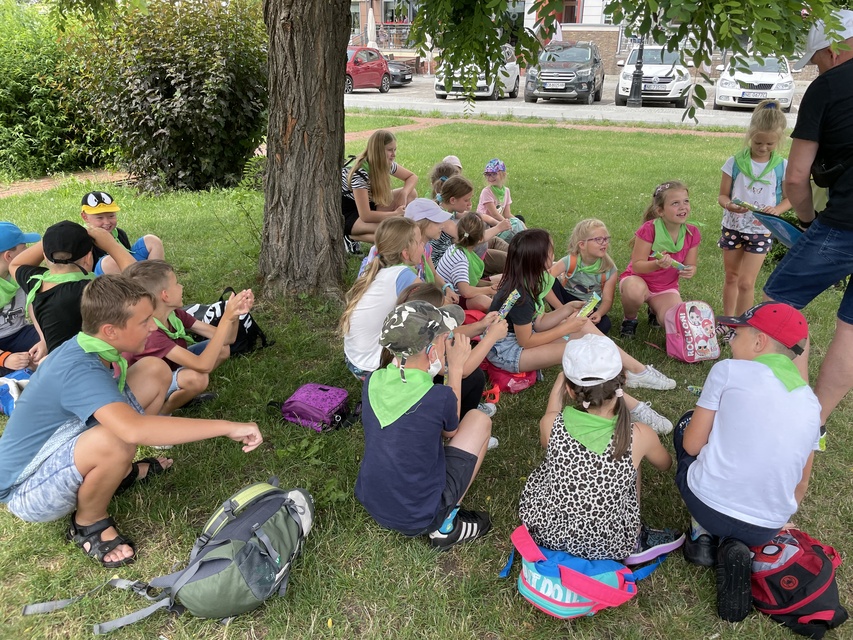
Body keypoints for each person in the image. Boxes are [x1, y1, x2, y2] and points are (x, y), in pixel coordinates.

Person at [0, 275, 262, 567]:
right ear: (111, 330)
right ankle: (89, 521)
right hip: (26, 491)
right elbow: (133, 429)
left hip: (62, 446)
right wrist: (228, 427)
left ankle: (116, 473)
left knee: (154, 369)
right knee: (117, 438)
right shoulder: (79, 367)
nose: (152, 326)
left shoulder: (91, 346)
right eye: (144, 321)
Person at [675, 302, 820, 622]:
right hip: (766, 526)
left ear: (759, 342)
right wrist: (780, 515)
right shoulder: (811, 403)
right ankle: (735, 543)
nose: (729, 341)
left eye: (735, 334)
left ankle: (702, 536)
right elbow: (802, 481)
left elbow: (693, 444)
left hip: (707, 504)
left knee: (686, 426)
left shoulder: (727, 370)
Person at [763, 9, 853, 439]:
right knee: (851, 328)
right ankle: (814, 423)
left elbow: (796, 177)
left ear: (834, 49)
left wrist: (806, 220)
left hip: (845, 223)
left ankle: (792, 409)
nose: (817, 68)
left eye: (816, 60)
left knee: (778, 302)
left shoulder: (829, 87)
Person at [519, 335, 684, 563]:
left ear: (570, 390)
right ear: (623, 381)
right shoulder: (639, 435)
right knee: (632, 465)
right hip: (610, 544)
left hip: (547, 532)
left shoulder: (550, 423)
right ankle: (635, 535)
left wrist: (560, 383)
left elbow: (550, 420)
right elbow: (665, 465)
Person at [354, 300, 493, 551]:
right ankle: (446, 525)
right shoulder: (438, 398)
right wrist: (456, 368)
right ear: (431, 352)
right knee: (479, 420)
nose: (446, 345)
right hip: (419, 516)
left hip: (373, 500)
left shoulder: (372, 380)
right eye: (443, 341)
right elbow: (451, 430)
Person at [488, 229, 677, 407]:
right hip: (508, 352)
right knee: (578, 348)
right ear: (538, 259)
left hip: (518, 342)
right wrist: (566, 328)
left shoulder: (529, 280)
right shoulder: (520, 294)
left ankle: (637, 370)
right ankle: (628, 399)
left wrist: (567, 309)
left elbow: (538, 321)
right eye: (550, 252)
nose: (553, 256)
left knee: (584, 326)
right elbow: (526, 341)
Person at [124, 260, 255, 415]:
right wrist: (226, 318)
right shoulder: (151, 333)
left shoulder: (174, 315)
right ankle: (161, 413)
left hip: (169, 371)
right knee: (197, 378)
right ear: (165, 295)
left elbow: (227, 340)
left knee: (222, 349)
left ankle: (180, 395)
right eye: (177, 283)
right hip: (143, 390)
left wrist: (234, 315)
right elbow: (203, 365)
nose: (182, 287)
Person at [10, 221, 135, 353]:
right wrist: (111, 245)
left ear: (45, 256)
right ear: (88, 258)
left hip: (56, 364)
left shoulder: (36, 281)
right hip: (92, 368)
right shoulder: (93, 290)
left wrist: (54, 238)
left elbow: (16, 264)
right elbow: (140, 282)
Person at [717, 100, 791, 317]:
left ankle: (742, 325)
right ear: (750, 135)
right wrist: (729, 205)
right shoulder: (735, 162)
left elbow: (790, 199)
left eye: (770, 144)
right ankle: (728, 320)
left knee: (747, 283)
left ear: (779, 140)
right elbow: (722, 195)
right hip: (733, 226)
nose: (763, 148)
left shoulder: (781, 166)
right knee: (731, 276)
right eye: (758, 142)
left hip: (761, 230)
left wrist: (777, 210)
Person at [341, 217, 423, 380]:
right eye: (420, 243)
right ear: (405, 253)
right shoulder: (403, 275)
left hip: (354, 360)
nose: (424, 247)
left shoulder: (374, 267)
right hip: (372, 368)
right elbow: (432, 310)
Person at [619, 181, 701, 338]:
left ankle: (654, 310)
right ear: (660, 211)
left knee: (674, 321)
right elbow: (637, 266)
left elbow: (691, 264)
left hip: (665, 288)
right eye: (675, 203)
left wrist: (691, 270)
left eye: (686, 201)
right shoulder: (649, 229)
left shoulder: (692, 233)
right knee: (633, 291)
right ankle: (630, 320)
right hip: (638, 280)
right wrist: (657, 264)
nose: (683, 207)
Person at [358, 198, 459, 305]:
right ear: (422, 224)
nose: (442, 225)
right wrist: (442, 301)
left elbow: (433, 274)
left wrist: (446, 288)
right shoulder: (402, 262)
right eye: (437, 221)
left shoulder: (426, 248)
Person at [341, 129, 418, 252]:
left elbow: (412, 177)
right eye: (389, 150)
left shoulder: (385, 163)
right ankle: (349, 236)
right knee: (392, 232)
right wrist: (395, 214)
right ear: (377, 151)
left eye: (395, 150)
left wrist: (404, 193)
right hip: (349, 213)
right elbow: (366, 216)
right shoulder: (359, 173)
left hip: (369, 204)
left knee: (411, 193)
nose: (394, 154)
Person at [548, 218, 618, 335]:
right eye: (598, 239)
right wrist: (562, 311)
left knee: (605, 324)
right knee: (550, 281)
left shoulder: (609, 269)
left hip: (588, 307)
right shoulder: (570, 260)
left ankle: (573, 326)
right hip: (566, 300)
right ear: (582, 244)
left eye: (606, 239)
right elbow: (544, 280)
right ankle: (562, 319)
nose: (604, 242)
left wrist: (599, 313)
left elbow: (607, 299)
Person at [432, 174, 510, 274]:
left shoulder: (446, 209)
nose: (469, 204)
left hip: (461, 255)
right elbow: (473, 239)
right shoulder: (444, 221)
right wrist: (499, 227)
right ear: (452, 200)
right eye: (466, 200)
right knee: (508, 262)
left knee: (498, 245)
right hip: (447, 268)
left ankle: (523, 256)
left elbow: (477, 215)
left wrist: (495, 222)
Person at [80, 191, 165, 276]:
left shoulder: (119, 233)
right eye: (99, 218)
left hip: (130, 269)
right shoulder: (85, 240)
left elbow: (128, 257)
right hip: (104, 279)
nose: (106, 222)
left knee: (152, 240)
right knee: (110, 261)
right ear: (85, 217)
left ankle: (157, 279)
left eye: (111, 216)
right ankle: (142, 284)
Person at [0, 222, 45, 373]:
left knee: (59, 345)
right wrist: (5, 358)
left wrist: (44, 340)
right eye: (24, 248)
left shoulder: (21, 274)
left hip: (20, 333)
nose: (28, 251)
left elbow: (33, 306)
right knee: (12, 372)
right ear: (9, 256)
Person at [435, 214, 498, 312]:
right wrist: (489, 290)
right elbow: (466, 292)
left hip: (455, 289)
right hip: (452, 298)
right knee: (485, 302)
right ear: (481, 238)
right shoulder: (461, 260)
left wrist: (490, 286)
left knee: (500, 278)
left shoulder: (455, 248)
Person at [477, 158, 526, 241]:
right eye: (488, 174)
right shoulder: (486, 192)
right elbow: (494, 214)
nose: (490, 177)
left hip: (497, 221)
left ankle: (526, 236)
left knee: (519, 219)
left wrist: (518, 223)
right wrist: (508, 224)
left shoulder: (506, 191)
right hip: (485, 224)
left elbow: (507, 214)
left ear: (503, 175)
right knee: (514, 226)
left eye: (494, 174)